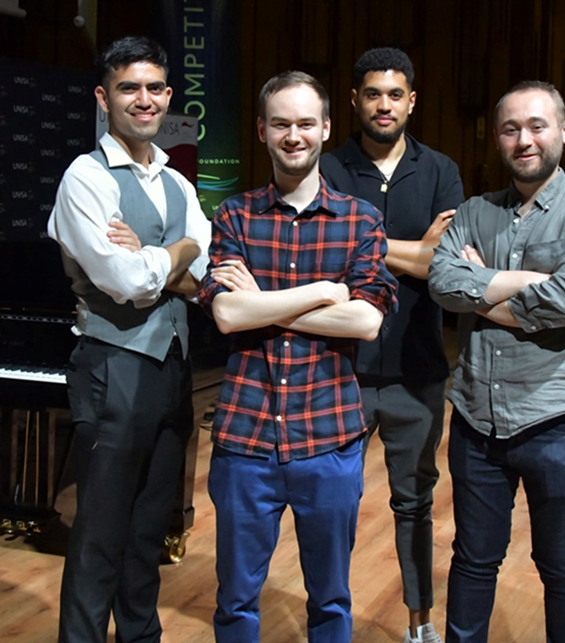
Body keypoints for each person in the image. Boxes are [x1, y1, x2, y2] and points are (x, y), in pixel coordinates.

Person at [199, 71, 398, 643]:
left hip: (329, 438)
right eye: (281, 123)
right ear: (262, 131)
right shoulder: (234, 216)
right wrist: (323, 292)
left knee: (331, 600)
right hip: (246, 438)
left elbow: (365, 322)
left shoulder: (361, 219)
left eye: (306, 123)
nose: (294, 135)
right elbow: (227, 315)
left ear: (326, 128)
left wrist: (261, 303)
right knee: (235, 601)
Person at [429, 81, 565, 643]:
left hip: (560, 420)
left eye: (537, 126)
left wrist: (479, 282)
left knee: (563, 569)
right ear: (497, 138)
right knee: (473, 560)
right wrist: (527, 282)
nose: (525, 140)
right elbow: (442, 281)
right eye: (511, 129)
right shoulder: (474, 211)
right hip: (477, 419)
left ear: (564, 131)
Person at [47, 36, 210, 643]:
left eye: (154, 88)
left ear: (168, 95)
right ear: (103, 97)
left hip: (172, 369)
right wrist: (178, 252)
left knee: (147, 532)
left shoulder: (177, 182)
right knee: (100, 536)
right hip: (112, 366)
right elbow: (123, 283)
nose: (144, 100)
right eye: (128, 88)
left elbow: (203, 274)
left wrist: (156, 258)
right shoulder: (85, 178)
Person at [319, 46, 463, 643]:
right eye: (373, 94)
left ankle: (419, 625)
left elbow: (445, 265)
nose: (384, 105)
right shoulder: (328, 167)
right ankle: (331, 623)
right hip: (339, 369)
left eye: (395, 94)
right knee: (333, 505)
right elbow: (326, 260)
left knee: (415, 504)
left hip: (417, 369)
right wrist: (412, 249)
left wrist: (368, 246)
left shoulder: (441, 170)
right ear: (355, 100)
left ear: (411, 101)